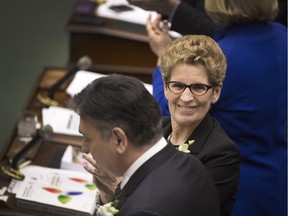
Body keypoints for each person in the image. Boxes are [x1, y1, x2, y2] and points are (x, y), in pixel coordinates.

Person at [148, 0, 287, 215]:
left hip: (232, 181)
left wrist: (162, 58)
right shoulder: (282, 36)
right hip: (277, 177)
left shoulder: (227, 56)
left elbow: (173, 111)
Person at [72, 74, 221, 216]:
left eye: (88, 138)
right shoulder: (191, 164)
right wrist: (111, 194)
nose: (84, 147)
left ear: (119, 140)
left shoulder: (143, 210)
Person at [158, 34, 241, 216]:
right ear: (165, 87)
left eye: (198, 87)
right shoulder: (154, 131)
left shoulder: (222, 154)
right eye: (178, 85)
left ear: (216, 92)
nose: (186, 97)